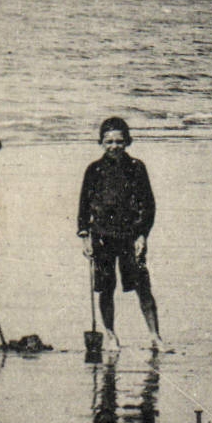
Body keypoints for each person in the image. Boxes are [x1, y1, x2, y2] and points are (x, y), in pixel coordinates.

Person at [77, 117, 161, 350]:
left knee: (143, 286)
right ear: (101, 143)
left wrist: (142, 235)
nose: (114, 146)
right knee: (106, 287)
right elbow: (83, 206)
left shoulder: (137, 167)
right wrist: (85, 237)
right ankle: (111, 334)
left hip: (131, 236)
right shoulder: (94, 170)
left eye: (119, 141)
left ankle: (155, 336)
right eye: (109, 141)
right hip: (102, 236)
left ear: (128, 142)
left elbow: (148, 205)